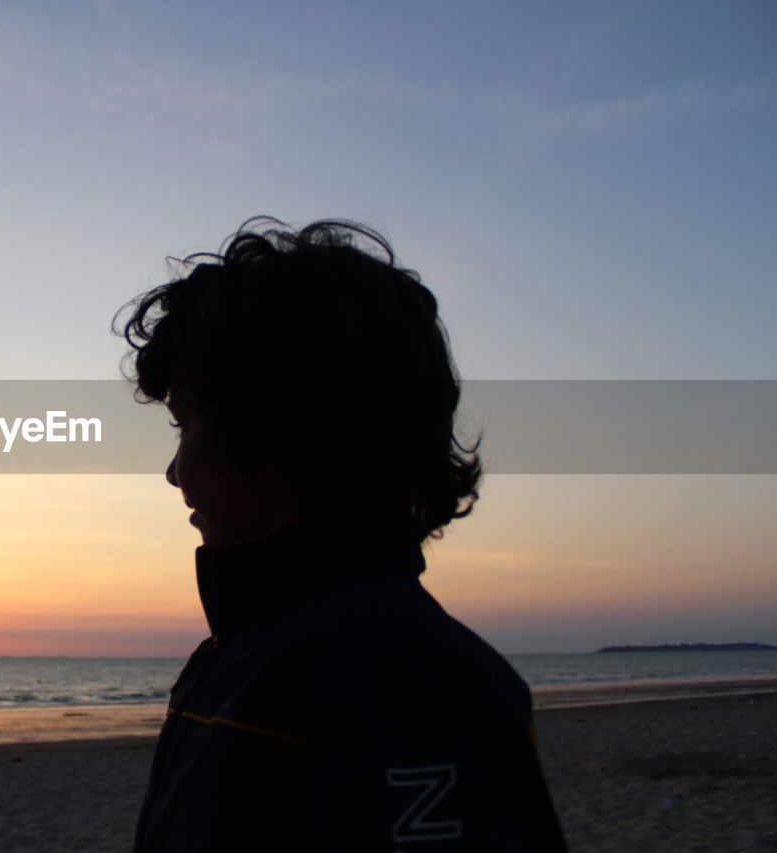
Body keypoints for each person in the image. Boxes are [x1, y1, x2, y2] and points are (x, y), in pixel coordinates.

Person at [114, 218, 567, 851]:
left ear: (282, 427)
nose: (173, 472)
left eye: (186, 422)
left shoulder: (396, 679)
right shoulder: (245, 655)